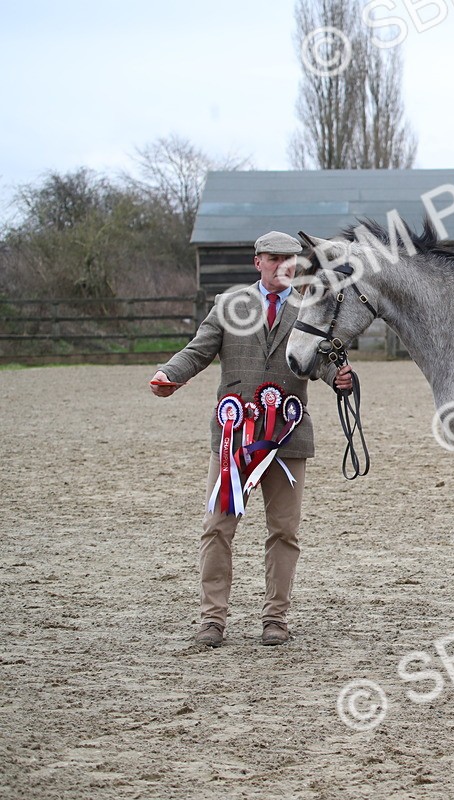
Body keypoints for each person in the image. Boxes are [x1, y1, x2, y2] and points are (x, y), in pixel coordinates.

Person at [150, 231, 353, 647]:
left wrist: (339, 377)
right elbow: (198, 351)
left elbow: (320, 361)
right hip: (233, 439)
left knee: (284, 532)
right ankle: (212, 620)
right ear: (257, 261)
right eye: (274, 258)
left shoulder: (308, 309)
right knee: (217, 529)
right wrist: (170, 373)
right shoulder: (229, 305)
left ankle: (275, 618)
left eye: (290, 259)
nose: (283, 266)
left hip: (287, 439)